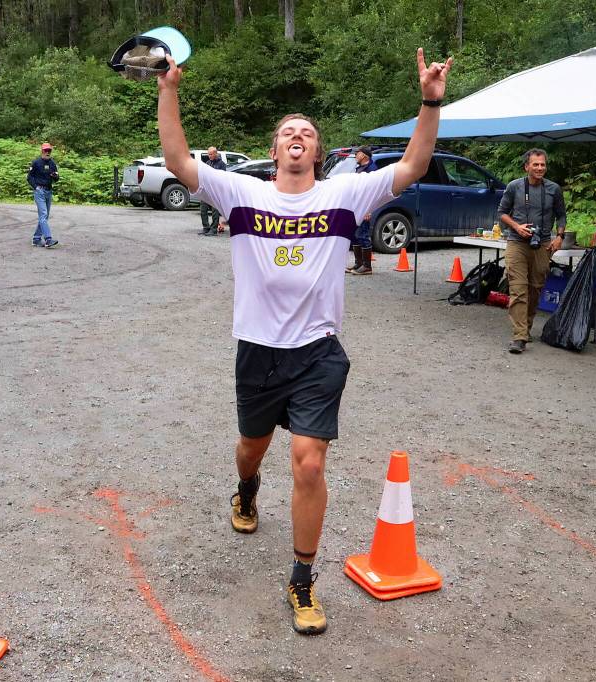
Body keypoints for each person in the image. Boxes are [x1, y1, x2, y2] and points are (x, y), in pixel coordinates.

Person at [157, 48, 452, 635]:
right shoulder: (242, 194)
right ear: (274, 151)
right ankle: (246, 488)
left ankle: (301, 577)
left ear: (318, 152)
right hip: (258, 350)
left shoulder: (346, 195)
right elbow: (176, 159)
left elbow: (415, 164)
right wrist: (169, 89)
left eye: (308, 132)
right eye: (288, 131)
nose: (298, 135)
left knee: (309, 463)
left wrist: (429, 101)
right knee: (252, 448)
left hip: (318, 352)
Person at [497, 149, 567, 354]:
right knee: (518, 289)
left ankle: (525, 328)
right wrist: (517, 226)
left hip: (543, 244)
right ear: (526, 166)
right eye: (535, 164)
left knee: (535, 288)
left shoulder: (554, 189)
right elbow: (501, 213)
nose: (539, 168)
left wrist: (559, 236)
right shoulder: (514, 187)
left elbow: (561, 216)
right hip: (517, 243)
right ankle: (519, 337)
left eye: (542, 165)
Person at [345, 146, 377, 275]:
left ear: (365, 156)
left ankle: (367, 266)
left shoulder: (372, 170)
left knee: (363, 234)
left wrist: (369, 210)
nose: (355, 155)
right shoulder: (360, 168)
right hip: (356, 206)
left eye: (357, 153)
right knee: (354, 235)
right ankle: (358, 264)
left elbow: (372, 192)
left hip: (364, 207)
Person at [27, 143, 59, 248]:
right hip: (39, 191)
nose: (48, 152)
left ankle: (36, 239)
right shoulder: (36, 163)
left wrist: (55, 176)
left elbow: (56, 178)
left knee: (44, 216)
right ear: (42, 151)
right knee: (44, 215)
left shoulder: (52, 163)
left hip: (49, 191)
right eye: (46, 150)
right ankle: (48, 239)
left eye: (49, 151)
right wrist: (35, 187)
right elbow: (29, 177)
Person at [199, 147, 227, 236]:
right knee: (203, 208)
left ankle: (213, 229)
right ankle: (206, 228)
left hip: (216, 190)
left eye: (211, 154)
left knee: (215, 210)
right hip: (207, 190)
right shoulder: (207, 163)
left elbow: (222, 178)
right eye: (208, 154)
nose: (209, 156)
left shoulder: (221, 164)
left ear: (215, 154)